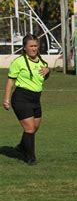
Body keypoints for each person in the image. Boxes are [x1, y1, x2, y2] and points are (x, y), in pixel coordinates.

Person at [3, 34, 50, 165]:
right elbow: (10, 81)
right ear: (25, 48)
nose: (34, 48)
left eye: (36, 45)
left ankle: (21, 147)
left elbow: (41, 78)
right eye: (31, 46)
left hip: (35, 99)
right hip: (21, 98)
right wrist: (6, 99)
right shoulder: (19, 62)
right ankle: (30, 158)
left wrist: (48, 71)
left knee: (34, 128)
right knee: (29, 128)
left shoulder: (42, 62)